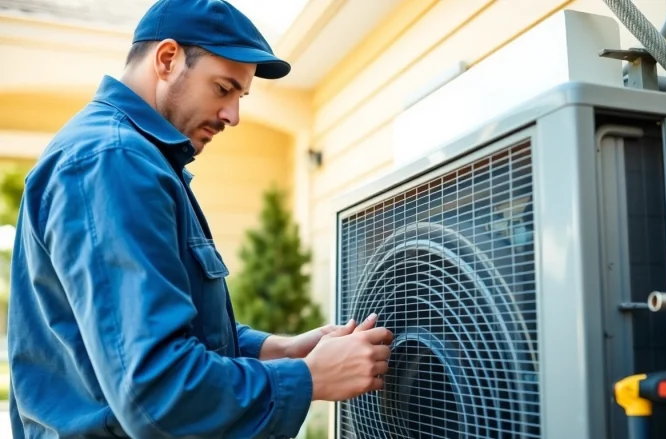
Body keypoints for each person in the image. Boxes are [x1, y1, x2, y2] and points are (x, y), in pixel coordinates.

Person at [6, 0, 394, 437]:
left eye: (240, 97)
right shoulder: (113, 161)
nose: (233, 115)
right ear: (167, 59)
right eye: (224, 88)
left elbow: (170, 331)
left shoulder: (131, 159)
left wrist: (280, 350)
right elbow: (157, 391)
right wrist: (308, 378)